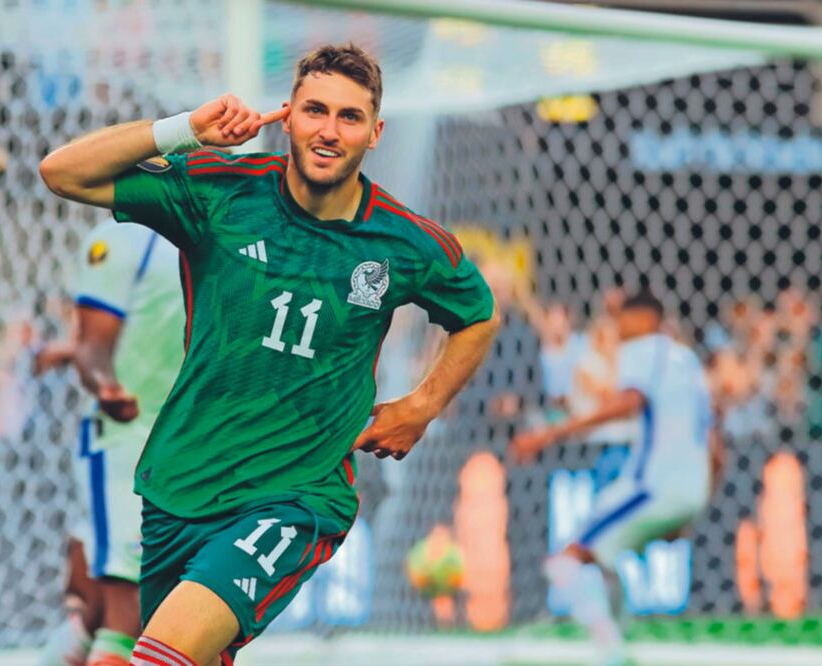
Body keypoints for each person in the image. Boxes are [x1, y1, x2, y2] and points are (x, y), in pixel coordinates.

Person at [40, 43, 501, 666]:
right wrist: (186, 130)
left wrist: (421, 405)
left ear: (375, 133)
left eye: (350, 116)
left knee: (155, 657)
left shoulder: (403, 241)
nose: (329, 130)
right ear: (287, 116)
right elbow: (62, 172)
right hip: (180, 486)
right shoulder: (221, 192)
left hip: (296, 497)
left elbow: (478, 314)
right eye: (315, 110)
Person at [511, 290, 722, 666]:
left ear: (642, 319)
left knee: (565, 562)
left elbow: (627, 403)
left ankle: (612, 652)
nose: (617, 328)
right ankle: (617, 641)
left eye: (620, 319)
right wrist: (696, 502)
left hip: (651, 486)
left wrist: (549, 434)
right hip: (691, 487)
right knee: (598, 561)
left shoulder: (642, 347)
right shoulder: (687, 360)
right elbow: (715, 443)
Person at [37, 219, 186, 666]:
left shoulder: (225, 229)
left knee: (103, 614)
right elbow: (92, 346)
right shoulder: (119, 238)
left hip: (192, 446)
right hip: (127, 446)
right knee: (131, 619)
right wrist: (105, 385)